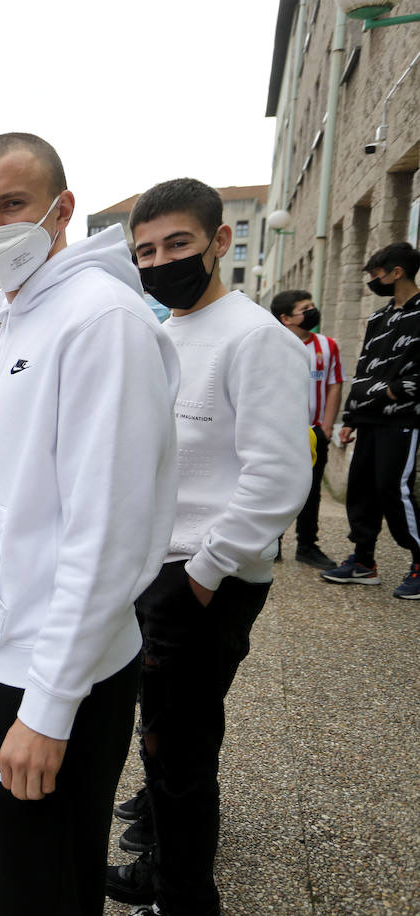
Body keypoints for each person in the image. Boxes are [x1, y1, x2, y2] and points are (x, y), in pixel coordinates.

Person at [0, 132, 180, 915]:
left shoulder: (104, 322)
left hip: (48, 673)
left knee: (47, 893)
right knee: (13, 877)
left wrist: (50, 706)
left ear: (61, 210)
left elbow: (109, 531)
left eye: (11, 204)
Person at [103, 179, 311, 915]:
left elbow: (280, 476)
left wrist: (200, 575)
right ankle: (163, 858)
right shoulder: (166, 331)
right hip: (158, 570)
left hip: (203, 580)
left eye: (178, 244)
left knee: (181, 749)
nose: (161, 261)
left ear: (221, 241)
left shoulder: (258, 339)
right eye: (146, 250)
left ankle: (185, 899)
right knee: (159, 733)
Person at [321, 242, 420, 598]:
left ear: (397, 272)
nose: (372, 282)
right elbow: (363, 369)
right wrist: (350, 417)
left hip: (402, 418)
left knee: (394, 490)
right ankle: (363, 562)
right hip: (369, 420)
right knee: (360, 490)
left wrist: (397, 391)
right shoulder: (379, 318)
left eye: (376, 275)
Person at [270, 290, 344, 570]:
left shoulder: (328, 346)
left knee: (312, 491)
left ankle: (307, 545)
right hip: (280, 432)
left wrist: (326, 426)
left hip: (314, 433)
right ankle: (271, 544)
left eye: (312, 306)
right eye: (305, 308)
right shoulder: (273, 344)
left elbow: (335, 384)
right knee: (275, 487)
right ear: (286, 318)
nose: (312, 312)